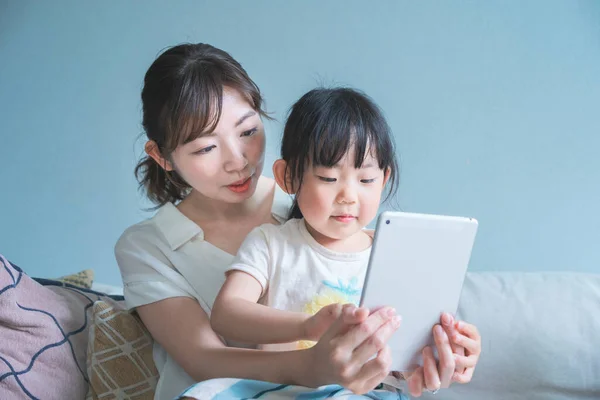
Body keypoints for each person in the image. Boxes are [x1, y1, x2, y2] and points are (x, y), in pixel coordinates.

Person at [115, 43, 481, 400]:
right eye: (205, 148)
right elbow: (204, 359)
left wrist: (430, 360)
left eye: (247, 131)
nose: (237, 161)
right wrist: (314, 362)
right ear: (161, 156)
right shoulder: (149, 245)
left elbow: (390, 331)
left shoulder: (323, 203)